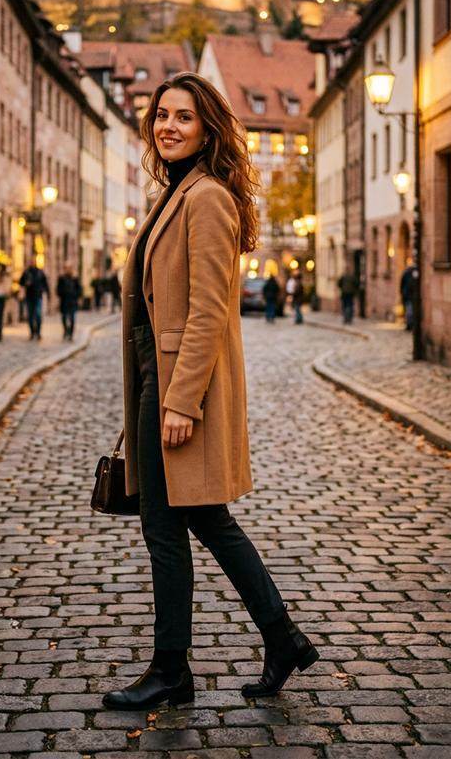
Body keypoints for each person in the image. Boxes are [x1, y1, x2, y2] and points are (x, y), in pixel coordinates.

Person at [103, 71, 318, 712]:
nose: (168, 126)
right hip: (154, 375)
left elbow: (208, 311)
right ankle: (278, 641)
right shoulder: (174, 193)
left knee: (170, 526)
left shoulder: (207, 198)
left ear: (208, 129)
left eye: (184, 117)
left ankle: (174, 669)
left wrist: (180, 400)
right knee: (191, 520)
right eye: (161, 115)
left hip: (175, 383)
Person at [19, 259, 49, 341]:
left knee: (38, 315)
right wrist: (26, 284)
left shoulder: (40, 272)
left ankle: (38, 332)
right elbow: (21, 282)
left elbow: (45, 284)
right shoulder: (26, 272)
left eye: (34, 261)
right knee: (30, 316)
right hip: (29, 297)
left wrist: (45, 291)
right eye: (31, 261)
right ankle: (32, 332)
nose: (32, 263)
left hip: (38, 297)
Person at [56, 264, 82, 341]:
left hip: (72, 302)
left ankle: (70, 334)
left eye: (69, 268)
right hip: (64, 301)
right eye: (66, 268)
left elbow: (79, 289)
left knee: (72, 318)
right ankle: (66, 330)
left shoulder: (75, 278)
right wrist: (62, 294)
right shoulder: (61, 278)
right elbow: (58, 289)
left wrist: (77, 296)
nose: (68, 270)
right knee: (64, 317)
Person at [400, 260, 415, 331]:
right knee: (409, 310)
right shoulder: (408, 273)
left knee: (409, 310)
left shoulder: (408, 272)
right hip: (408, 295)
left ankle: (410, 324)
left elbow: (401, 285)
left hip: (409, 295)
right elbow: (402, 284)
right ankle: (409, 324)